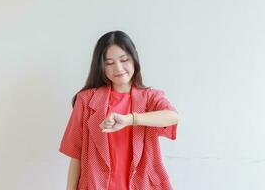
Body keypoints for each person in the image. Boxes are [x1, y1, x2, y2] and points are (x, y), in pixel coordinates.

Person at [59, 30, 179, 190]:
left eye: (124, 60)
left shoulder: (150, 97)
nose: (118, 68)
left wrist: (130, 119)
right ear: (101, 66)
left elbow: (172, 116)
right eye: (109, 63)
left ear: (134, 59)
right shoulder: (86, 100)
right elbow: (76, 155)